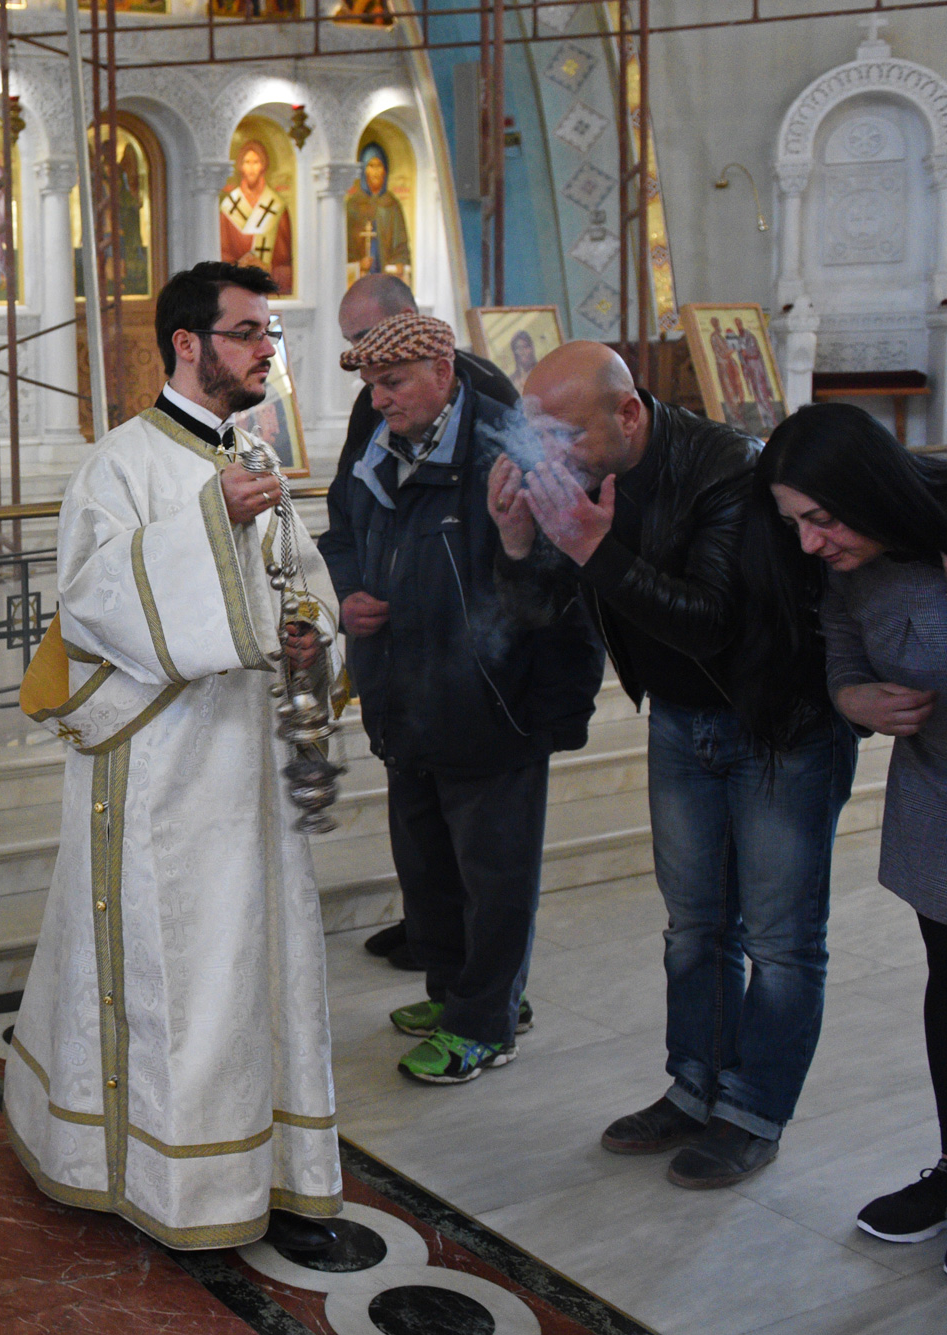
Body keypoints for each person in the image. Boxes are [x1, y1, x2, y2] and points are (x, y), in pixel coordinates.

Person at [4, 262, 347, 1256]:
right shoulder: (118, 463)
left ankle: (269, 1168)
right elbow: (90, 603)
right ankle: (161, 1178)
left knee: (257, 968)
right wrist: (215, 524)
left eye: (268, 334)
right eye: (246, 333)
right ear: (187, 343)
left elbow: (299, 585)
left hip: (253, 768)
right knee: (177, 976)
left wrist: (306, 639)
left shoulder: (249, 451)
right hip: (161, 776)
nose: (264, 351)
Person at [491, 345, 859, 1188]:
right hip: (684, 719)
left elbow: (712, 622)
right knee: (694, 926)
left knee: (780, 939)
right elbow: (554, 614)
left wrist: (591, 547)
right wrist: (519, 545)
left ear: (627, 415)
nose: (549, 451)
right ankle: (693, 1088)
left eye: (564, 431)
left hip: (778, 723)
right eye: (535, 432)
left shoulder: (725, 466)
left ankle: (753, 1112)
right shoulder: (580, 474)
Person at [740, 410, 947, 1285]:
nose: (808, 541)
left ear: (868, 490)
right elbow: (840, 636)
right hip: (943, 795)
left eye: (822, 518)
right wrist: (853, 699)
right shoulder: (854, 564)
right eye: (793, 520)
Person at [322, 313, 602, 1085]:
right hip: (403, 693)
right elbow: (342, 527)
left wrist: (517, 549)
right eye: (371, 385)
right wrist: (350, 595)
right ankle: (455, 994)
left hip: (491, 701)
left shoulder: (507, 450)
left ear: (442, 371)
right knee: (427, 868)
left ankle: (488, 1019)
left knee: (494, 876)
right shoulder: (378, 441)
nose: (379, 400)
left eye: (394, 382)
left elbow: (559, 587)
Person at [329, 274, 516, 971]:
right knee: (421, 830)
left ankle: (486, 997)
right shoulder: (373, 405)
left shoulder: (487, 404)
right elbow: (352, 510)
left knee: (484, 854)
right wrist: (351, 590)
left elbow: (504, 554)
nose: (375, 394)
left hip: (468, 675)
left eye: (368, 344)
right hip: (400, 668)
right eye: (356, 353)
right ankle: (436, 949)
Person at [219, 140, 293, 292]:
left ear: (263, 165)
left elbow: (284, 258)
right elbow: (223, 251)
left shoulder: (277, 206)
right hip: (236, 286)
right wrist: (240, 267)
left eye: (256, 162)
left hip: (267, 285)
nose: (251, 168)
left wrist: (268, 268)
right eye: (247, 162)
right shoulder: (229, 206)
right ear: (240, 166)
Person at [344, 143, 409, 280]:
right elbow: (343, 248)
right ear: (363, 171)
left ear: (385, 170)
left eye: (379, 166)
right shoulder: (353, 205)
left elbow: (401, 245)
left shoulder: (392, 205)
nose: (375, 172)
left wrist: (399, 262)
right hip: (360, 278)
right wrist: (359, 264)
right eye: (371, 166)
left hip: (385, 277)